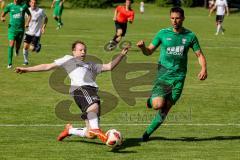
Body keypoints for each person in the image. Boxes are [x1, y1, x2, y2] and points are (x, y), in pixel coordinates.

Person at [15, 40, 129, 143]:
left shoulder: (90, 65)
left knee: (90, 135)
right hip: (80, 89)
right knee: (93, 106)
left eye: (84, 50)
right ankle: (96, 129)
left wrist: (121, 55)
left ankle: (70, 130)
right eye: (80, 50)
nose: (83, 52)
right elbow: (47, 66)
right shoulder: (68, 59)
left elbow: (109, 66)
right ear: (73, 52)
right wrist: (27, 69)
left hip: (91, 91)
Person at [137, 7, 207, 142]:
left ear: (183, 18)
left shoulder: (190, 36)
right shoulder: (162, 33)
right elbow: (149, 51)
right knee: (158, 105)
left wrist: (203, 68)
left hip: (179, 78)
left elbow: (199, 55)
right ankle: (150, 100)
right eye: (172, 18)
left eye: (177, 18)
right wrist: (142, 48)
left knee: (165, 110)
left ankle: (146, 134)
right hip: (163, 76)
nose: (174, 21)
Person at [1, 0, 31, 69]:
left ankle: (17, 50)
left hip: (20, 30)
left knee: (17, 46)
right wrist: (2, 18)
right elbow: (2, 15)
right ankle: (9, 63)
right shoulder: (9, 6)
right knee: (11, 44)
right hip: (12, 29)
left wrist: (27, 23)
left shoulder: (24, 6)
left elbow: (29, 15)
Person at [22, 0, 48, 65]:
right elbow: (22, 18)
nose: (33, 4)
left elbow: (46, 18)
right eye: (32, 3)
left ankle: (37, 46)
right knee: (25, 46)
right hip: (28, 32)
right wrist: (25, 24)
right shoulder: (27, 10)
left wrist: (43, 27)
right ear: (29, 3)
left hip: (36, 33)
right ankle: (25, 61)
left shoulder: (40, 11)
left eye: (35, 3)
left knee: (32, 49)